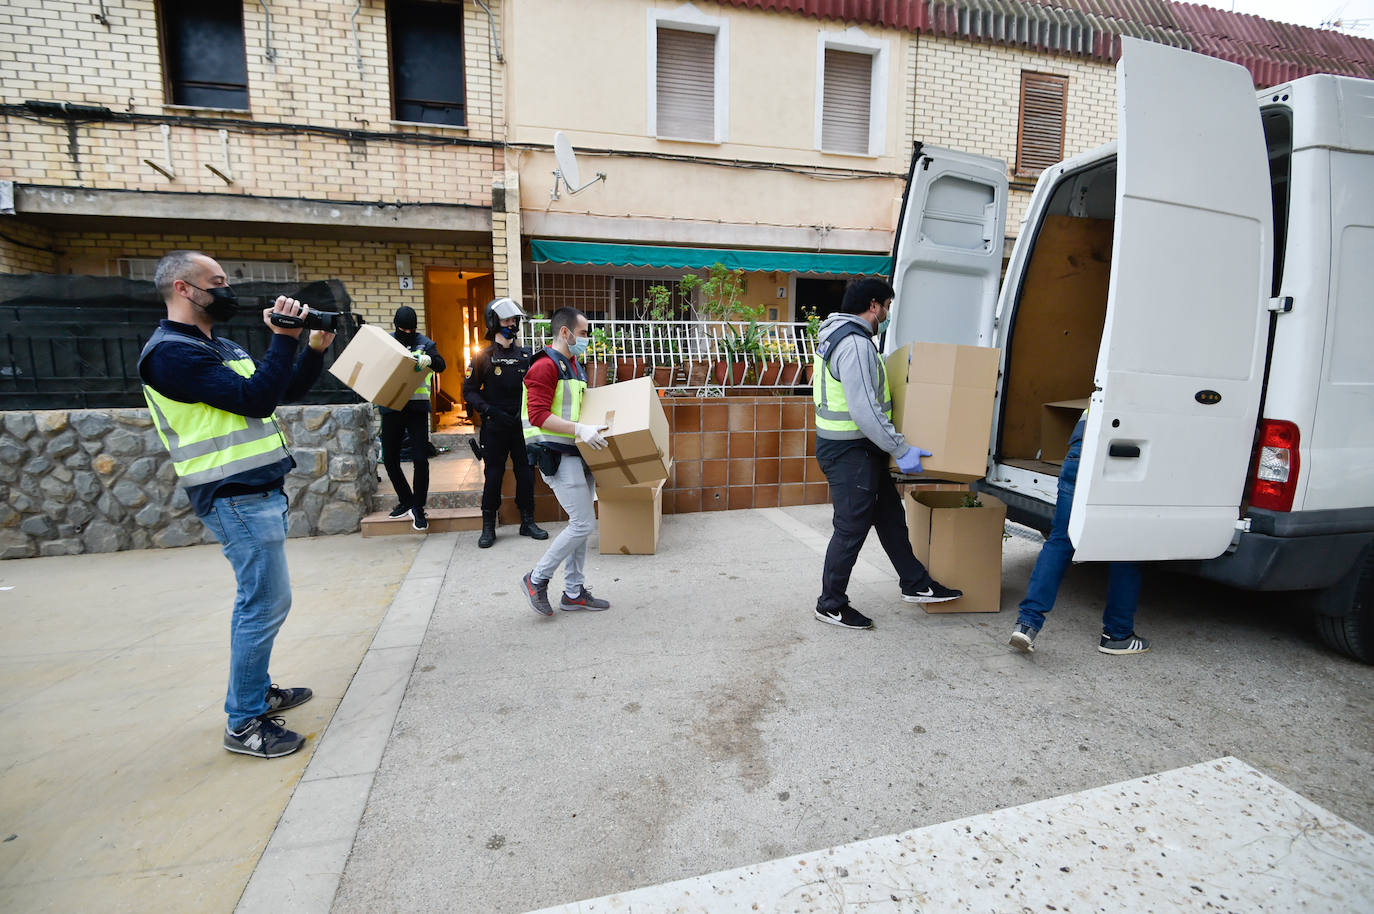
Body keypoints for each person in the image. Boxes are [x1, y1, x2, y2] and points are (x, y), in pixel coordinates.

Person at [138, 250, 335, 758]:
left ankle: (256, 691)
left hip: (257, 492)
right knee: (264, 603)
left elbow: (278, 390)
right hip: (233, 496)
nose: (227, 291)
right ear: (183, 288)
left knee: (263, 601)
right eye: (217, 282)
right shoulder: (170, 354)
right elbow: (256, 402)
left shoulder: (217, 345)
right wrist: (283, 337)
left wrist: (311, 350)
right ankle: (244, 720)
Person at [812, 278, 963, 629]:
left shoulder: (844, 337)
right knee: (850, 528)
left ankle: (916, 583)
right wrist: (900, 447)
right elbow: (864, 408)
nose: (888, 314)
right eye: (888, 307)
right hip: (849, 451)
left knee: (891, 517)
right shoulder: (854, 344)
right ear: (874, 305)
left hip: (859, 449)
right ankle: (830, 603)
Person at [1009, 412, 1149, 654]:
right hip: (1131, 449)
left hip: (1082, 443)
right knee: (1125, 547)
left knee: (1061, 540)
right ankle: (1117, 635)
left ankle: (1027, 624)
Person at [519, 307, 611, 616]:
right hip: (557, 455)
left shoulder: (574, 366)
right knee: (583, 523)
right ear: (565, 332)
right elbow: (538, 415)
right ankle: (536, 578)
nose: (586, 339)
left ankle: (573, 592)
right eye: (583, 333)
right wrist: (580, 430)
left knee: (582, 526)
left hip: (578, 453)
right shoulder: (544, 367)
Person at [462, 297, 548, 548]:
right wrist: (489, 410)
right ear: (494, 322)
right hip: (495, 426)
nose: (512, 324)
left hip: (522, 426)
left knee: (525, 474)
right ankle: (488, 526)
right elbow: (469, 391)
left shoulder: (526, 355)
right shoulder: (483, 356)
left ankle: (527, 521)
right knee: (494, 475)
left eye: (514, 320)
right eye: (507, 320)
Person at [379, 305, 445, 531]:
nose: (406, 333)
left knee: (420, 458)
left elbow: (441, 364)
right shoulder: (387, 342)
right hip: (391, 406)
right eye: (402, 330)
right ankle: (406, 499)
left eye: (410, 330)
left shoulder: (424, 342)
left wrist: (429, 360)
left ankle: (418, 506)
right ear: (395, 326)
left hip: (416, 407)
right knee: (389, 458)